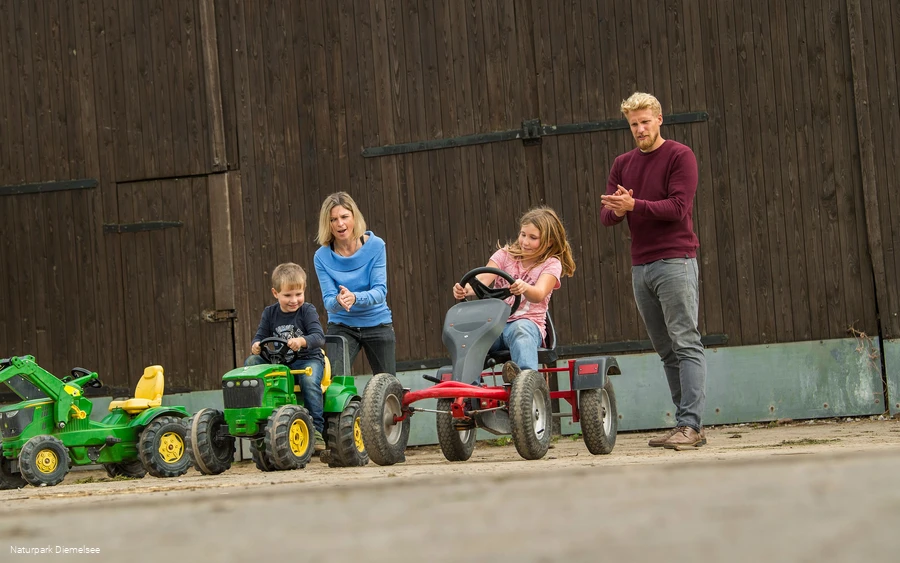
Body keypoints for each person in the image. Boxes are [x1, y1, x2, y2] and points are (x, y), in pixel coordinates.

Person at [600, 91, 707, 450]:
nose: (640, 129)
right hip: (640, 266)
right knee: (665, 349)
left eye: (645, 122)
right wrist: (618, 210)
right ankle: (683, 424)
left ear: (660, 119)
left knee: (686, 341)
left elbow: (678, 208)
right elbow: (606, 216)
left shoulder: (680, 155)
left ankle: (691, 425)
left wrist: (633, 205)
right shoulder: (622, 163)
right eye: (634, 124)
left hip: (675, 260)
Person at [452, 206, 575, 383]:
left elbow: (539, 293)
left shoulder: (551, 264)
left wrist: (525, 287)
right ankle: (470, 393)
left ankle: (525, 383)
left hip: (528, 323)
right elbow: (484, 279)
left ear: (549, 242)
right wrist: (466, 289)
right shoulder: (505, 255)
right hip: (494, 324)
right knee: (470, 338)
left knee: (520, 330)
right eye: (523, 234)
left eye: (533, 238)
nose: (525, 241)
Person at [246, 262, 327, 451]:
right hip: (281, 362)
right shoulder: (270, 313)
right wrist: (256, 346)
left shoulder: (307, 310)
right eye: (287, 295)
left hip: (309, 360)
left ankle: (315, 429)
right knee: (252, 363)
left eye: (298, 294)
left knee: (308, 381)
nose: (294, 300)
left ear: (304, 291)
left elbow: (318, 336)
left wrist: (302, 341)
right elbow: (260, 336)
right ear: (276, 293)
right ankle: (259, 423)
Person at [313, 192, 396, 376]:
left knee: (388, 385)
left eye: (344, 217)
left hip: (377, 322)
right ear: (328, 224)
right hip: (342, 325)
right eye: (333, 219)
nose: (340, 224)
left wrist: (354, 297)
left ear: (354, 217)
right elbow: (328, 301)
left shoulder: (376, 246)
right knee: (334, 383)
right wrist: (339, 300)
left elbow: (380, 291)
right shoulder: (321, 257)